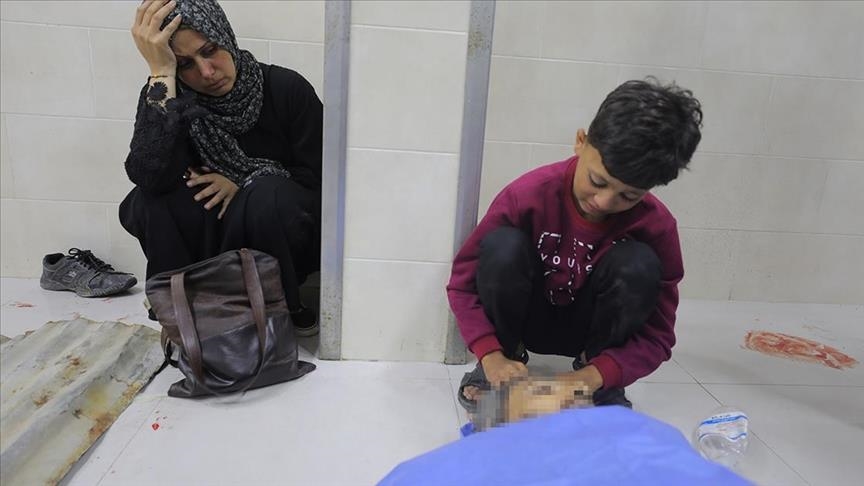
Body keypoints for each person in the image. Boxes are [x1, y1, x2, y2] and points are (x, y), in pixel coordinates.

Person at [448, 78, 703, 412]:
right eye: (597, 181)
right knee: (502, 246)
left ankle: (598, 380)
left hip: (591, 330)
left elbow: (658, 334)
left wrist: (597, 375)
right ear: (581, 142)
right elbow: (462, 285)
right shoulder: (527, 195)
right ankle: (503, 362)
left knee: (638, 263)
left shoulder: (656, 227)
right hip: (528, 318)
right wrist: (490, 353)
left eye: (628, 196)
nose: (604, 201)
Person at [119, 0, 322, 336]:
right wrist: (161, 74)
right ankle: (184, 309)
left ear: (225, 36)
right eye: (185, 64)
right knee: (150, 199)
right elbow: (148, 175)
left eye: (210, 50)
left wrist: (243, 183)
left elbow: (321, 180)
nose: (207, 72)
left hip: (279, 225)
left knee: (266, 195)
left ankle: (281, 307)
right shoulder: (170, 94)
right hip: (214, 228)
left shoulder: (285, 88)